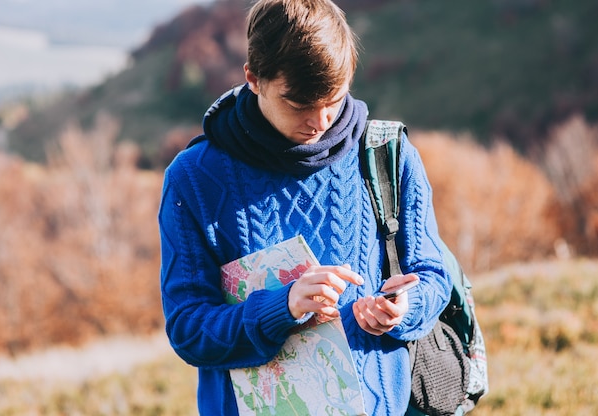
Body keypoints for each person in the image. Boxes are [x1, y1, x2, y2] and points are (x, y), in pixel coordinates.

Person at [158, 0, 452, 414]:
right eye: (298, 104)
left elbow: (435, 275)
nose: (320, 120)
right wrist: (284, 306)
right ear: (254, 79)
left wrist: (405, 308)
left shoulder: (388, 154)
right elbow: (189, 329)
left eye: (334, 99)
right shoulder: (193, 178)